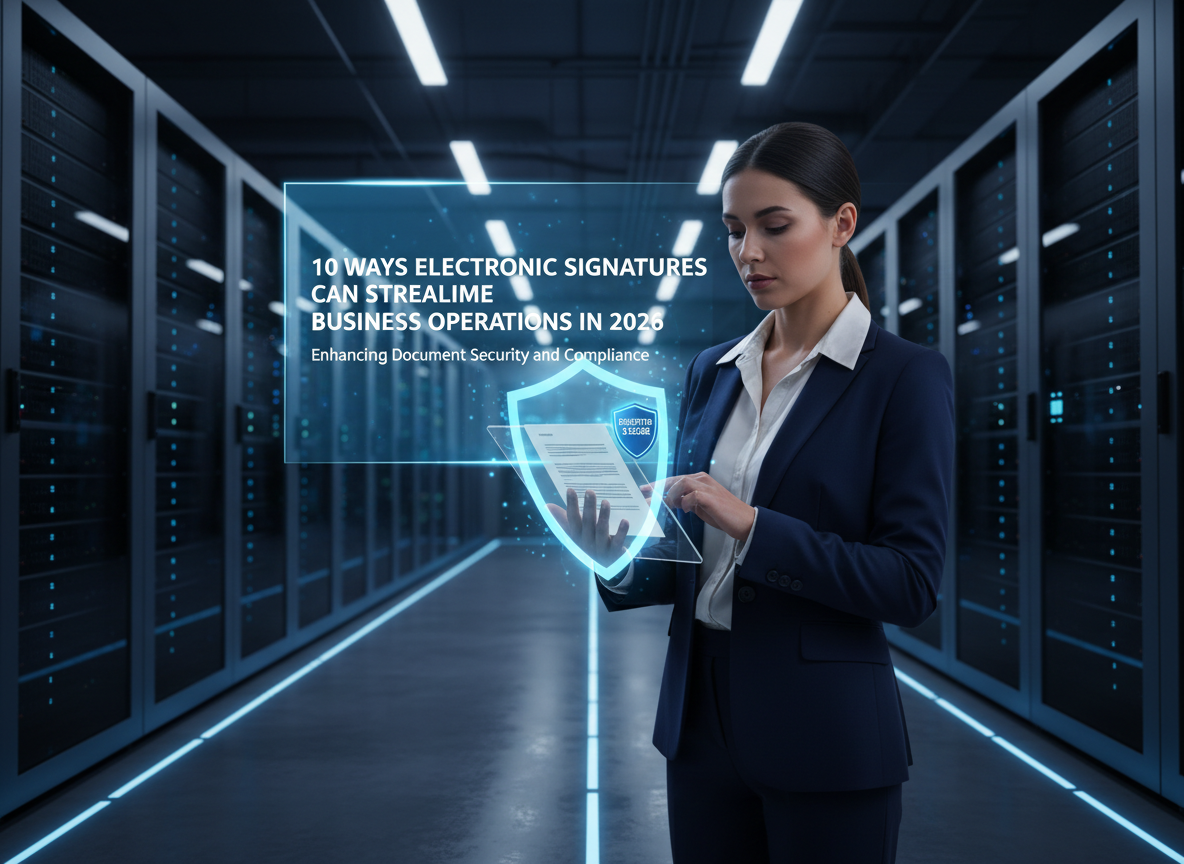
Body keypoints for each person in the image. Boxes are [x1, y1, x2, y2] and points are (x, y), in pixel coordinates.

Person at [548, 122, 954, 863]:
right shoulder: (715, 369)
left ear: (841, 224)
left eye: (774, 226)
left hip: (825, 735)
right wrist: (618, 553)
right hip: (700, 725)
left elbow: (911, 583)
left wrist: (750, 523)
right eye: (734, 231)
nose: (748, 253)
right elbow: (692, 557)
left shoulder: (904, 376)